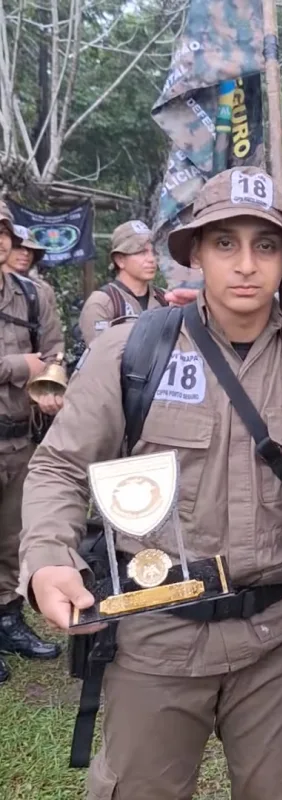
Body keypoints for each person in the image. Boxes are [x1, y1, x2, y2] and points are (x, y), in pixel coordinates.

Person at [18, 167, 282, 800]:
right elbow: (59, 466)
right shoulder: (130, 354)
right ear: (195, 253)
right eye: (225, 243)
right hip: (156, 635)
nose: (245, 265)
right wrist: (49, 559)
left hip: (280, 642)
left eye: (265, 245)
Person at [0, 204, 65, 685]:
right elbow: (29, 360)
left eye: (4, 231)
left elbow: (55, 353)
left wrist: (49, 388)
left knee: (13, 538)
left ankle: (8, 621)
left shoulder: (33, 295)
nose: (1, 239)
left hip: (19, 440)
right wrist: (21, 366)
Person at [78, 219, 166, 345]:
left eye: (153, 252)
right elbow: (101, 355)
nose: (151, 259)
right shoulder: (103, 303)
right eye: (142, 252)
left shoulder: (165, 299)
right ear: (120, 260)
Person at [6, 225, 59, 314]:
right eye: (18, 247)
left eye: (30, 249)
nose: (26, 253)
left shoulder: (42, 289)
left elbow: (50, 326)